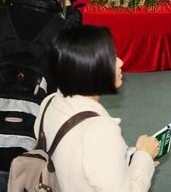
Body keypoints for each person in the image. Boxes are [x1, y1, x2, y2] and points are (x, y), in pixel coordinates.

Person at [0, 0, 80, 191]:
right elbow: (73, 61)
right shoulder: (63, 27)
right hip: (42, 133)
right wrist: (67, 6)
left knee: (0, 179)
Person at [35, 25, 159, 191]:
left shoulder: (49, 102)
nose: (121, 62)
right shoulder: (100, 131)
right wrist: (144, 156)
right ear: (91, 68)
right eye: (113, 57)